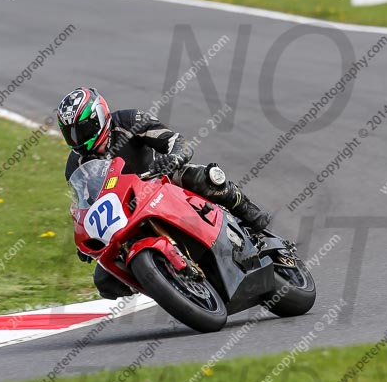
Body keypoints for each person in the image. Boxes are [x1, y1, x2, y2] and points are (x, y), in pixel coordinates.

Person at [58, 87, 271, 299]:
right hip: (125, 212)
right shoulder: (75, 165)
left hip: (160, 181)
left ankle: (250, 216)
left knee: (202, 177)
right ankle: (164, 282)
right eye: (71, 133)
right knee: (104, 282)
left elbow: (176, 141)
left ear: (99, 116)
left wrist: (174, 157)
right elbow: (85, 205)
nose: (78, 139)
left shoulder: (129, 121)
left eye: (83, 130)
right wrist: (87, 233)